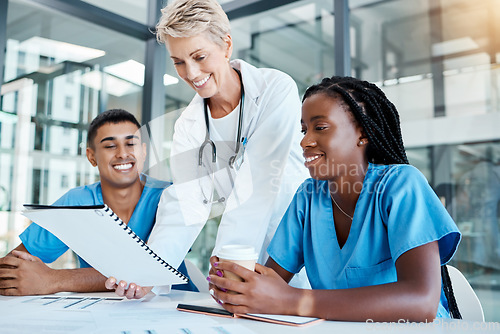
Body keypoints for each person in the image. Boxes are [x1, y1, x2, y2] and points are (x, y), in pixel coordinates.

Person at [208, 76, 462, 322]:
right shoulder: (308, 198)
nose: (305, 141)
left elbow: (422, 302)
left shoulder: (400, 185)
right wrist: (238, 283)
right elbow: (271, 285)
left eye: (320, 128)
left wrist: (296, 301)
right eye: (304, 129)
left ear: (362, 133)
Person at [106, 0, 308, 298]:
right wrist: (147, 274)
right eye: (178, 62)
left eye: (199, 56)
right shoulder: (189, 124)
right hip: (242, 257)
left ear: (226, 46)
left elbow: (260, 185)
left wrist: (227, 268)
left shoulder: (274, 89)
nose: (191, 72)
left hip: (294, 251)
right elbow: (184, 205)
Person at [0, 109, 196, 295]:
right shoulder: (76, 201)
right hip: (101, 312)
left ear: (143, 151)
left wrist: (53, 279)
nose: (122, 153)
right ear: (91, 156)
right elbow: (13, 267)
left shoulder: (170, 197)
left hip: (176, 307)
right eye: (110, 145)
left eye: (131, 144)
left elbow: (146, 271)